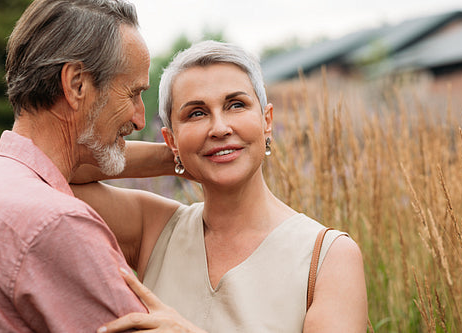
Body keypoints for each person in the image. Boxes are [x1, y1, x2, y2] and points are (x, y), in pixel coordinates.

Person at [72, 40, 368, 332]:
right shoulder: (153, 228)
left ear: (267, 121)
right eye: (196, 113)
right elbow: (53, 166)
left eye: (236, 105)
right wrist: (174, 157)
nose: (219, 128)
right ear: (170, 137)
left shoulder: (328, 256)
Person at [0, 0, 183, 331]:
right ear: (76, 85)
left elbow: (77, 167)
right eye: (133, 94)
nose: (139, 118)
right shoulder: (59, 223)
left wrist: (177, 157)